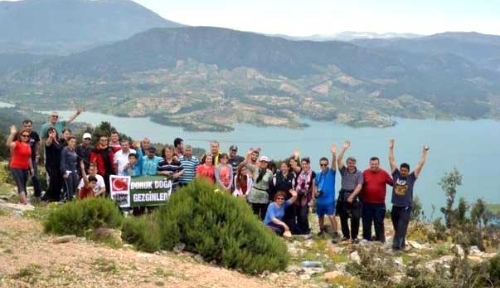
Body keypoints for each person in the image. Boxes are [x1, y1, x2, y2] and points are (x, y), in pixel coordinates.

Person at [388, 139, 428, 251]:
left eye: (405, 170)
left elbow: (420, 164)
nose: (403, 172)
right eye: (402, 170)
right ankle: (402, 243)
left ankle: (396, 247)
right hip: (395, 206)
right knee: (397, 227)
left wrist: (424, 152)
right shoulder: (395, 175)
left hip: (406, 207)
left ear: (408, 171)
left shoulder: (411, 177)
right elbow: (391, 160)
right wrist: (391, 148)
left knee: (401, 227)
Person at [336, 140, 364, 243]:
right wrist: (344, 148)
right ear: (347, 163)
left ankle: (355, 236)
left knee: (356, 217)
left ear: (355, 163)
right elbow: (338, 160)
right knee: (343, 217)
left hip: (354, 196)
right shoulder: (344, 171)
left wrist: (352, 196)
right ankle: (346, 236)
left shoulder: (359, 173)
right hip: (343, 195)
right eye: (349, 163)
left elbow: (360, 185)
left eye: (352, 163)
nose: (351, 164)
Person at [362, 156, 393, 242]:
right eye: (372, 164)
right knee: (366, 222)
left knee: (379, 222)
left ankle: (380, 240)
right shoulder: (365, 173)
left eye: (375, 164)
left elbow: (392, 183)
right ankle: (366, 239)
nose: (374, 166)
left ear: (378, 164)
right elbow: (359, 185)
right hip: (367, 203)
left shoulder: (384, 173)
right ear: (370, 164)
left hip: (379, 204)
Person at [315, 145, 340, 240]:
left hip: (329, 200)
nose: (323, 166)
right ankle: (321, 231)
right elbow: (316, 184)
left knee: (331, 216)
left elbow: (334, 164)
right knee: (320, 216)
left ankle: (336, 233)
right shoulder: (318, 175)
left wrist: (334, 154)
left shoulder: (331, 172)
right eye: (321, 164)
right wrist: (316, 193)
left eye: (325, 164)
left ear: (328, 164)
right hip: (320, 200)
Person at [6, 125, 33, 205]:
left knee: (24, 184)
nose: (26, 137)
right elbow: (8, 144)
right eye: (24, 135)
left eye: (27, 136)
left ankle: (21, 201)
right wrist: (12, 134)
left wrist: (31, 168)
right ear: (20, 136)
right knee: (20, 184)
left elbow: (29, 158)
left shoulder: (28, 146)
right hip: (15, 166)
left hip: (25, 168)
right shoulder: (16, 144)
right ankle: (25, 203)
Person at [291, 153, 316, 235]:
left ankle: (306, 230)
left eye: (306, 164)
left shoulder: (312, 173)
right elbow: (293, 165)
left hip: (306, 196)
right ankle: (300, 230)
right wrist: (296, 157)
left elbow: (313, 186)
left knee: (303, 214)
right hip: (298, 195)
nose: (304, 166)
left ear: (309, 164)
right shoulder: (300, 171)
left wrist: (313, 198)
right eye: (303, 164)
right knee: (297, 214)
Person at [246, 153, 274, 220]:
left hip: (264, 195)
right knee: (254, 214)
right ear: (259, 162)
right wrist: (248, 154)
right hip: (254, 194)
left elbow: (270, 183)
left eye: (265, 162)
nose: (263, 163)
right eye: (262, 161)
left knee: (263, 215)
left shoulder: (270, 173)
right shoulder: (255, 168)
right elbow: (246, 164)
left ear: (267, 163)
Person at [22, 119, 42, 199]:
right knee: (24, 177)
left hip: (33, 159)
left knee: (35, 177)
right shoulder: (21, 135)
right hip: (22, 160)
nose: (27, 127)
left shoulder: (34, 134)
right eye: (26, 126)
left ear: (31, 126)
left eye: (29, 126)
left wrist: (38, 154)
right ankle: (24, 195)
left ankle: (37, 195)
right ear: (23, 126)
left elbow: (39, 143)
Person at [44, 127, 63, 202]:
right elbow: (47, 143)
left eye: (53, 132)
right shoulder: (49, 141)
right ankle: (48, 197)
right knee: (53, 181)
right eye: (50, 132)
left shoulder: (58, 142)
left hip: (59, 165)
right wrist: (50, 137)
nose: (52, 133)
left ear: (56, 133)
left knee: (59, 181)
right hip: (51, 165)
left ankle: (56, 197)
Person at [60, 136, 79, 200]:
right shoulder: (65, 150)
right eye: (71, 141)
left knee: (75, 185)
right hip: (67, 171)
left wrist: (76, 172)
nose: (73, 143)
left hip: (74, 171)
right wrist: (64, 172)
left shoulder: (74, 151)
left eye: (74, 142)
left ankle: (73, 198)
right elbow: (62, 161)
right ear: (68, 142)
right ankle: (68, 199)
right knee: (69, 186)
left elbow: (75, 162)